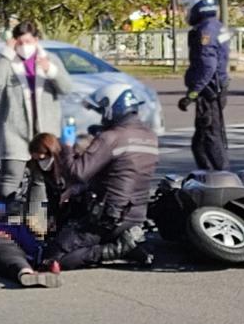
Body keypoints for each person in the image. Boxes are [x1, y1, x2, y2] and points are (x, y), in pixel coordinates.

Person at [42, 83, 159, 270]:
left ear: (113, 108)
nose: (102, 116)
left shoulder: (111, 137)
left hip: (106, 218)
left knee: (52, 257)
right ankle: (131, 245)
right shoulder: (150, 136)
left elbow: (77, 173)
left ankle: (116, 249)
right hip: (136, 215)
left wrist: (67, 145)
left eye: (102, 110)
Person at [0, 20, 73, 202]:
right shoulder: (9, 61)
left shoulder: (49, 59)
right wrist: (6, 54)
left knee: (40, 181)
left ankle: (35, 224)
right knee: (9, 179)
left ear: (36, 40)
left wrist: (52, 71)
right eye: (20, 42)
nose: (25, 47)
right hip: (14, 131)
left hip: (44, 133)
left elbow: (67, 88)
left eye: (29, 42)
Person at [178, 0, 231, 170]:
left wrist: (193, 93)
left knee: (209, 138)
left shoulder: (205, 31)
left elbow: (208, 66)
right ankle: (212, 177)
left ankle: (221, 178)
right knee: (201, 142)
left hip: (209, 92)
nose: (187, 12)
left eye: (188, 8)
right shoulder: (215, 25)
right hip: (215, 89)